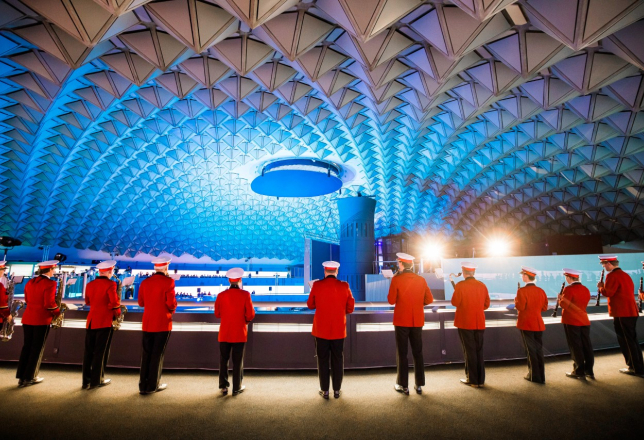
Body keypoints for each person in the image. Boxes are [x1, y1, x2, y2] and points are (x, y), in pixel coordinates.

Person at [307, 261, 355, 399]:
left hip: (321, 331)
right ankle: (337, 390)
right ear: (336, 271)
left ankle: (325, 390)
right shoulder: (344, 286)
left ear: (325, 271)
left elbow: (310, 305)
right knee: (338, 360)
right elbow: (350, 307)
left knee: (322, 360)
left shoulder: (317, 285)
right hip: (339, 330)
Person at [387, 253, 434, 395]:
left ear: (401, 264)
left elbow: (391, 300)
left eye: (398, 263)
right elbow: (429, 299)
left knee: (402, 353)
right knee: (418, 352)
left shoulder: (396, 279)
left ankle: (403, 385)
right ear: (411, 265)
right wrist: (418, 305)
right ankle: (419, 384)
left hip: (402, 321)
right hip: (417, 321)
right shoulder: (421, 280)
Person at [596, 255, 643, 377]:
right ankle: (638, 366)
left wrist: (601, 287)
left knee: (626, 341)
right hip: (630, 311)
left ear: (609, 263)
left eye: (604, 264)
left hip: (622, 312)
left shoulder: (611, 276)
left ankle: (634, 367)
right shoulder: (625, 275)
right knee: (632, 340)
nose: (604, 267)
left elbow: (608, 292)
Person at [16, 261, 61, 387]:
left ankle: (21, 376)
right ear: (50, 270)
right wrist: (58, 312)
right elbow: (49, 304)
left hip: (28, 318)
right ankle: (30, 377)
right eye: (53, 270)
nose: (54, 272)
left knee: (27, 347)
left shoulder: (30, 282)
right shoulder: (51, 283)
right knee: (37, 349)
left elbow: (27, 299)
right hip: (41, 319)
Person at [138, 257, 177, 394]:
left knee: (146, 354)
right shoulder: (169, 282)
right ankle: (153, 385)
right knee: (157, 355)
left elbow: (141, 303)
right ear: (166, 267)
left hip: (148, 323)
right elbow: (171, 304)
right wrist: (173, 308)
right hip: (162, 323)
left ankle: (143, 385)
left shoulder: (145, 282)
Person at [215, 267, 255, 396]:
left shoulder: (221, 295)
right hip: (239, 333)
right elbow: (250, 314)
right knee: (237, 361)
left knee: (223, 360)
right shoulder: (245, 295)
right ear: (240, 280)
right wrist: (245, 322)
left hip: (224, 333)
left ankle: (223, 386)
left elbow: (217, 314)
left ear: (229, 281)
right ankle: (237, 387)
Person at [82, 260, 121, 390]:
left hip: (91, 321)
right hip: (104, 321)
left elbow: (87, 302)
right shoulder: (111, 284)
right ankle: (97, 380)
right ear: (110, 271)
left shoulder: (90, 284)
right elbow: (114, 303)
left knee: (88, 352)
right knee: (100, 352)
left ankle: (86, 381)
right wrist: (118, 313)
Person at [451, 262, 490, 388]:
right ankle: (480, 380)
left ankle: (472, 380)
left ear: (463, 272)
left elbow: (455, 302)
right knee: (479, 351)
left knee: (469, 351)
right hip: (479, 322)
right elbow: (486, 304)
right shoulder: (482, 285)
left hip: (465, 322)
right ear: (473, 272)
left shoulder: (460, 285)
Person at [559, 268, 594, 380]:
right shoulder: (585, 289)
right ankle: (589, 370)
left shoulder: (568, 289)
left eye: (566, 277)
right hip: (584, 320)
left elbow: (564, 305)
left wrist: (560, 299)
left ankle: (578, 370)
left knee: (575, 346)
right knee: (586, 345)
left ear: (569, 277)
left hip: (572, 321)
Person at [515, 266, 548, 384]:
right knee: (538, 350)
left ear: (526, 276)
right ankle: (541, 375)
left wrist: (516, 301)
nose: (522, 277)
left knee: (530, 351)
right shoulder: (541, 291)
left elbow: (520, 307)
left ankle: (534, 375)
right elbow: (544, 308)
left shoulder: (521, 291)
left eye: (522, 275)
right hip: (538, 323)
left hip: (526, 324)